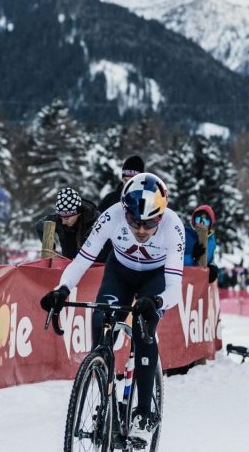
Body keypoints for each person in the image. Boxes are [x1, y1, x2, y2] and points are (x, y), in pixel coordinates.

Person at [39, 173, 183, 444]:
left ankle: (142, 412)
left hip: (156, 277)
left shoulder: (173, 227)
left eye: (150, 222)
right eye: (134, 221)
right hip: (120, 273)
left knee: (144, 331)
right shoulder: (111, 216)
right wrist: (63, 289)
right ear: (123, 211)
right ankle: (105, 387)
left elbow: (175, 286)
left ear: (161, 217)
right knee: (101, 319)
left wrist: (158, 302)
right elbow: (82, 260)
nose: (141, 230)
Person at [33, 187, 99, 259]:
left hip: (94, 266)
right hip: (67, 266)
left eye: (66, 218)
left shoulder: (96, 220)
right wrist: (51, 249)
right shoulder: (59, 219)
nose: (63, 222)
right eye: (61, 217)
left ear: (77, 213)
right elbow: (39, 225)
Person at [183, 205, 219, 283]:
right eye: (198, 219)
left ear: (210, 224)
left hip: (197, 285)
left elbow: (209, 259)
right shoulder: (184, 234)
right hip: (182, 280)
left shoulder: (211, 241)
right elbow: (174, 259)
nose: (202, 223)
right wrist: (192, 258)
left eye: (206, 221)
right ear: (193, 221)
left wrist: (212, 267)